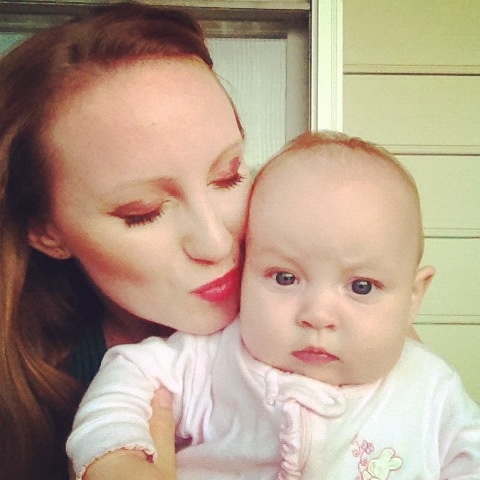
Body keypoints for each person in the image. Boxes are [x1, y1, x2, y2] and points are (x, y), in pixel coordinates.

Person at [67, 130, 480, 479]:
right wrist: (116, 456)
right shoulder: (212, 360)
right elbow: (130, 372)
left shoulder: (433, 392)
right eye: (285, 278)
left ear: (413, 297)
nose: (317, 315)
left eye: (361, 286)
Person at [0, 2, 251, 479]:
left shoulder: (335, 307)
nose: (216, 243)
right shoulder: (20, 415)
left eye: (229, 175)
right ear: (47, 231)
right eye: (144, 211)